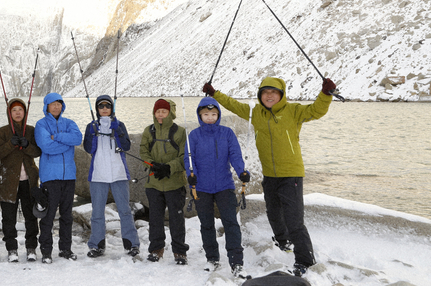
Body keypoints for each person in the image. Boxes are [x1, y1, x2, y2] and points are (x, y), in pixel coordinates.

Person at [203, 76, 336, 277]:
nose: (269, 95)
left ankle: (305, 259)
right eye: (265, 92)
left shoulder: (294, 111)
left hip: (291, 174)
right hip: (270, 174)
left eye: (274, 92)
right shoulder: (256, 113)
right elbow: (234, 105)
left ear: (281, 94)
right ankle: (283, 242)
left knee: (294, 219)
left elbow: (316, 110)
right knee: (273, 213)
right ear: (260, 96)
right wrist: (214, 94)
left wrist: (326, 94)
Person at [185, 96, 250, 276]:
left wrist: (242, 171)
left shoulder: (227, 133)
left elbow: (235, 155)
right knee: (206, 225)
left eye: (214, 114)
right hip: (202, 188)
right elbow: (189, 160)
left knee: (231, 223)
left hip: (224, 185)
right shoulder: (193, 135)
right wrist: (191, 176)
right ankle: (212, 259)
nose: (210, 117)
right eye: (206, 114)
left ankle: (237, 263)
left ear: (218, 114)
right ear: (200, 116)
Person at [82, 94, 140, 259]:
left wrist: (117, 130)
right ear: (97, 109)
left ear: (112, 108)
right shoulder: (91, 126)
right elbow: (88, 149)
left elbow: (126, 146)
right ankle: (97, 246)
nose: (105, 109)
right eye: (101, 106)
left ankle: (132, 245)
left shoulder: (119, 125)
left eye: (108, 106)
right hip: (98, 175)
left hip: (119, 173)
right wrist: (93, 133)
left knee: (125, 211)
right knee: (97, 212)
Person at [34, 92, 83, 264]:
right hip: (50, 177)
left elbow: (77, 138)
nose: (56, 106)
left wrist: (59, 137)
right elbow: (46, 146)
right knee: (48, 217)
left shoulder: (69, 123)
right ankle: (46, 251)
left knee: (66, 216)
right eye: (52, 104)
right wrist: (66, 144)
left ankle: (65, 249)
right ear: (46, 106)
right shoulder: (41, 124)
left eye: (59, 104)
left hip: (69, 176)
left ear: (62, 106)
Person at [139, 98, 189, 265]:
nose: (160, 114)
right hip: (153, 183)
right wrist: (152, 166)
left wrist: (168, 168)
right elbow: (143, 151)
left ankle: (180, 251)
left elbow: (184, 157)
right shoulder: (148, 131)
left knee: (177, 219)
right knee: (155, 218)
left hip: (174, 183)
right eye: (158, 111)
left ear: (170, 113)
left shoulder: (180, 132)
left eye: (164, 111)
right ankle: (156, 249)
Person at [0, 97, 41, 262]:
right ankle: (12, 249)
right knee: (8, 218)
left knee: (30, 216)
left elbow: (38, 152)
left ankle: (31, 247)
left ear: (25, 112)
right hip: (8, 182)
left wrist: (27, 145)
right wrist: (10, 144)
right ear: (9, 113)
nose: (17, 112)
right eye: (14, 110)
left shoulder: (31, 130)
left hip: (29, 182)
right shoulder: (3, 131)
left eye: (20, 109)